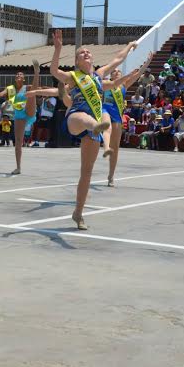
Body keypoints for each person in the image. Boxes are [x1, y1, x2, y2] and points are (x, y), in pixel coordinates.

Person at [48, 29, 140, 230]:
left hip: (92, 131)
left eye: (88, 52)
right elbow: (54, 71)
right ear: (77, 61)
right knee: (83, 118)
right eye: (82, 53)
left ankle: (78, 213)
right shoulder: (73, 76)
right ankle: (96, 126)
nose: (86, 53)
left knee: (86, 173)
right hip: (75, 119)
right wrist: (57, 49)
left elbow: (117, 59)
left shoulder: (98, 76)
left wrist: (130, 46)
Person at [101, 58, 151, 186]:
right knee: (107, 127)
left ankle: (111, 176)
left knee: (115, 148)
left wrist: (147, 62)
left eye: (119, 71)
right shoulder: (105, 83)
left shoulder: (124, 85)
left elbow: (139, 74)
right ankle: (105, 146)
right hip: (105, 110)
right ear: (111, 74)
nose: (117, 72)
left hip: (117, 115)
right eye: (114, 71)